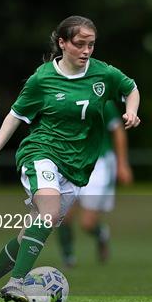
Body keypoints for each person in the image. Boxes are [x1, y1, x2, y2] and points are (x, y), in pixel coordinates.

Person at [0, 15, 140, 302]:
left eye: (92, 45)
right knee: (47, 211)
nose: (87, 51)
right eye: (80, 44)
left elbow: (131, 88)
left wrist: (132, 112)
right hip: (41, 153)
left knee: (30, 234)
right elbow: (16, 115)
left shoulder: (103, 74)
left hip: (76, 166)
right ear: (62, 43)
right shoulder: (42, 78)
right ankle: (17, 281)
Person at [57, 99, 133, 267]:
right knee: (62, 215)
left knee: (87, 223)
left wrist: (122, 164)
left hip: (98, 165)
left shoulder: (102, 100)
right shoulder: (61, 97)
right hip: (71, 163)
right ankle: (68, 258)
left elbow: (118, 130)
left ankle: (101, 234)